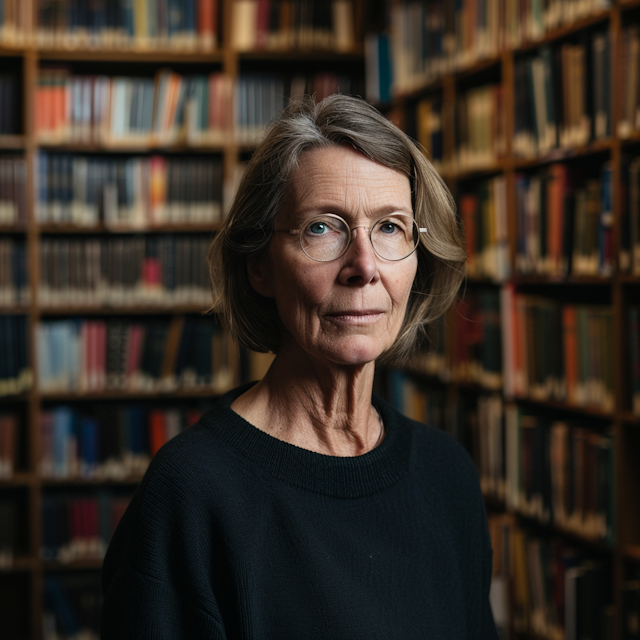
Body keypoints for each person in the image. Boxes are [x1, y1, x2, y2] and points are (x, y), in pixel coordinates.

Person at [100, 94, 498, 639]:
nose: (364, 267)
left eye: (390, 228)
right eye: (323, 228)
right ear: (261, 266)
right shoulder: (189, 495)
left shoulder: (447, 475)